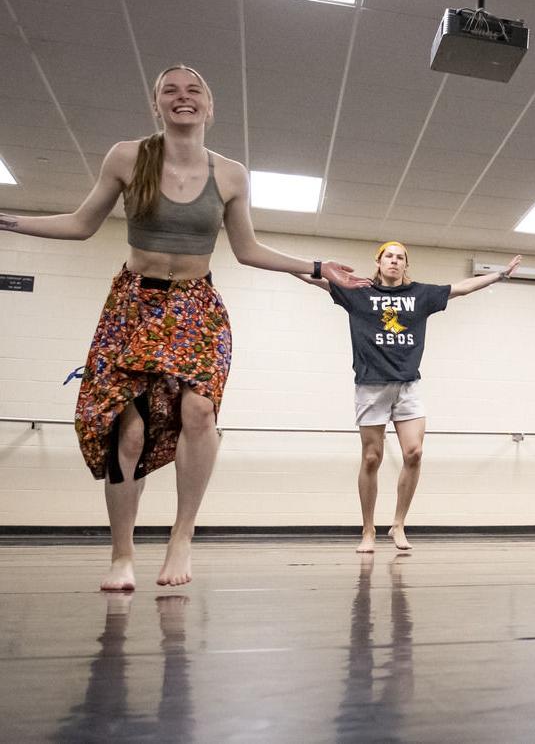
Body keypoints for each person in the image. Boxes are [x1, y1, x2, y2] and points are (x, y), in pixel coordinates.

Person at [0, 65, 365, 590]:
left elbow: (248, 250)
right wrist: (10, 221)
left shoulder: (231, 174)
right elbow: (82, 225)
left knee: (199, 410)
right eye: (170, 91)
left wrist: (315, 267)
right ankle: (122, 555)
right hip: (133, 305)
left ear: (209, 107)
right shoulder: (128, 156)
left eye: (193, 90)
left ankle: (181, 537)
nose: (182, 97)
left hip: (197, 306)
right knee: (126, 433)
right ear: (157, 105)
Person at [296, 243, 521, 552]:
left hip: (408, 385)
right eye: (389, 256)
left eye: (400, 257)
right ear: (378, 262)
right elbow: (313, 279)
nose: (394, 261)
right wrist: (286, 264)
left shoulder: (420, 295)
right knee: (371, 458)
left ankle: (398, 524)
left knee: (414, 452)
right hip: (371, 385)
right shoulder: (358, 291)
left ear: (405, 265)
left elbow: (462, 288)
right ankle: (368, 531)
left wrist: (499, 275)